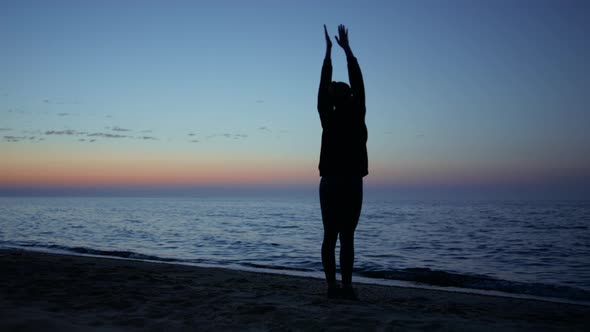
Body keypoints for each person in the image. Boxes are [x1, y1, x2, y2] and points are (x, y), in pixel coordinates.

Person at [317, 24, 368, 299]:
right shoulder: (356, 113)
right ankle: (344, 287)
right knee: (346, 236)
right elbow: (358, 82)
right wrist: (346, 51)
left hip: (333, 182)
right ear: (348, 97)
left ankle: (333, 287)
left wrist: (328, 54)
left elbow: (324, 90)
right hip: (349, 182)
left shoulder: (329, 117)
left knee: (331, 236)